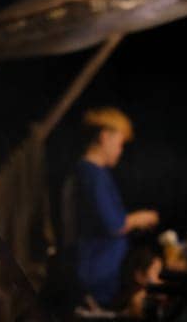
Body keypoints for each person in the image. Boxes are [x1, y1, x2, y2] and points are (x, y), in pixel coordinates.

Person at [59, 107, 160, 307]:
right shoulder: (91, 175)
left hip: (99, 273)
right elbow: (114, 224)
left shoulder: (91, 173)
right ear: (105, 137)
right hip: (97, 276)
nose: (121, 150)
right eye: (120, 143)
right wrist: (142, 218)